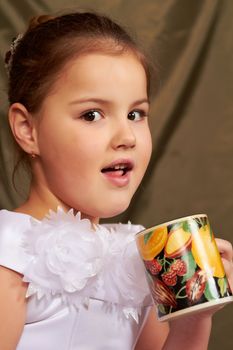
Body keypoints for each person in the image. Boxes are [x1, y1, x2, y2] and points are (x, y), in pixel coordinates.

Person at [0, 10, 232, 350]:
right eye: (92, 115)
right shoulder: (10, 260)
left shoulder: (135, 263)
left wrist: (193, 318)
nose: (127, 136)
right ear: (27, 129)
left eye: (135, 114)